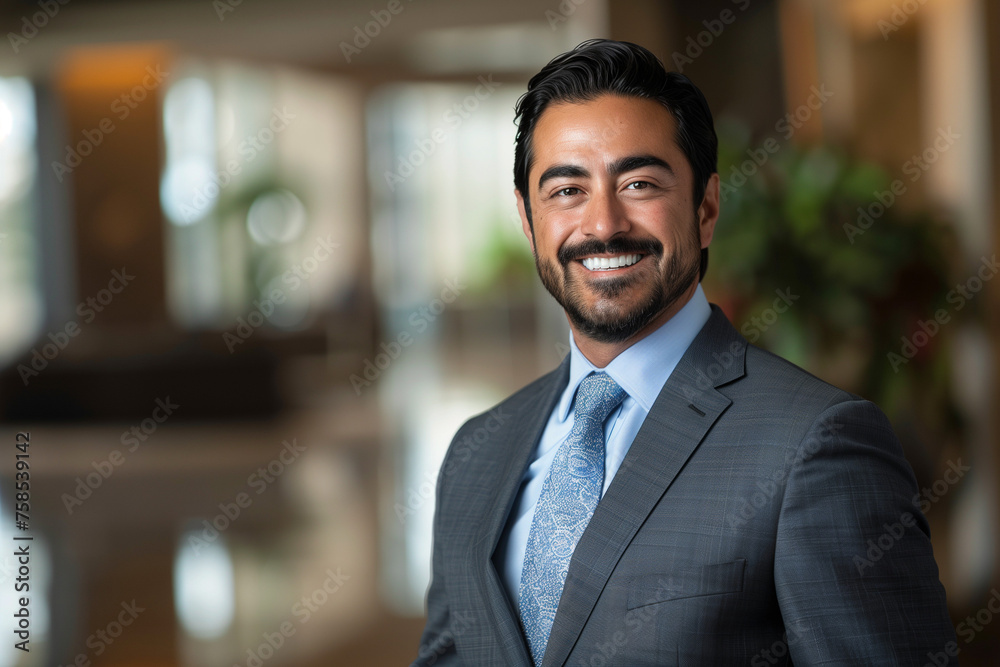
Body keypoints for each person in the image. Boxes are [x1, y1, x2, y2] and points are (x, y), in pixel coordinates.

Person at [413, 39, 956, 666]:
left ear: (705, 208)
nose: (602, 224)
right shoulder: (475, 452)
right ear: (529, 220)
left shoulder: (817, 445)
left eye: (639, 183)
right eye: (566, 190)